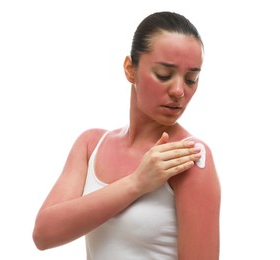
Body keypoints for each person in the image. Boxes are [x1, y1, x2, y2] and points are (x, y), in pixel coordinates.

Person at [32, 11, 221, 260]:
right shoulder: (91, 145)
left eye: (191, 79)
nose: (178, 91)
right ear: (130, 69)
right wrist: (137, 183)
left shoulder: (188, 157)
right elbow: (44, 235)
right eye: (164, 75)